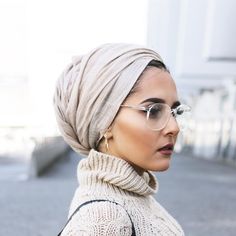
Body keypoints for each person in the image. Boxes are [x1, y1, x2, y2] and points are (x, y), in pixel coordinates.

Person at [53, 43, 190, 235]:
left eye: (175, 112)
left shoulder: (136, 195)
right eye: (154, 111)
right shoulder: (103, 219)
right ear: (105, 122)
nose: (174, 127)